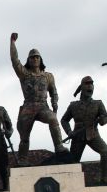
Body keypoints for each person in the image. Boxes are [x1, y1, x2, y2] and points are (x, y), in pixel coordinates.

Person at [10, 32, 68, 164]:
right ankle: (23, 159)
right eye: (32, 58)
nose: (35, 59)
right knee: (24, 136)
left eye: (37, 57)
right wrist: (12, 43)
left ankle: (59, 146)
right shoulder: (24, 74)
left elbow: (53, 91)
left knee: (53, 120)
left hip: (43, 106)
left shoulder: (48, 76)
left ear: (40, 60)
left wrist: (54, 101)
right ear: (29, 61)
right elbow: (14, 61)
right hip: (28, 106)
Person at [60, 76, 107, 184]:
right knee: (73, 161)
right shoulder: (73, 105)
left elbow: (105, 118)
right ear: (82, 88)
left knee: (105, 151)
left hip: (92, 133)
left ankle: (105, 177)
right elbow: (64, 120)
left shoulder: (98, 103)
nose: (90, 86)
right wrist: (69, 132)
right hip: (77, 135)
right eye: (87, 84)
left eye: (91, 84)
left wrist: (103, 120)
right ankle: (70, 181)